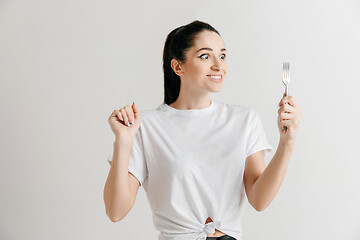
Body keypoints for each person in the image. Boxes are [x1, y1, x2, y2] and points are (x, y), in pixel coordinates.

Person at [103, 20, 302, 240]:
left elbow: (259, 200)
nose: (219, 65)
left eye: (223, 56)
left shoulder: (244, 120)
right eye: (205, 56)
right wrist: (122, 141)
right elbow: (116, 211)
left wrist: (287, 143)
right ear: (178, 67)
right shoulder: (146, 125)